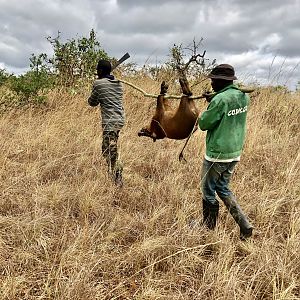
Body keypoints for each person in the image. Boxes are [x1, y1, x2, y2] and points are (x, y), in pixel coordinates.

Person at [198, 64, 253, 240]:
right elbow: (227, 107)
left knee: (207, 190)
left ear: (221, 81)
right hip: (234, 151)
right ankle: (245, 225)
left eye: (213, 80)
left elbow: (204, 124)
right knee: (222, 187)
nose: (212, 83)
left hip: (217, 153)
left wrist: (207, 109)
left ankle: (207, 227)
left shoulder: (220, 100)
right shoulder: (243, 97)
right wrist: (213, 100)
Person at [88, 59, 125, 187]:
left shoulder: (98, 84)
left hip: (110, 122)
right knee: (106, 149)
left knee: (111, 150)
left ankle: (117, 176)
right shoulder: (119, 83)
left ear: (100, 71)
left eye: (98, 70)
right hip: (119, 120)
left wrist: (95, 86)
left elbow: (92, 102)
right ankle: (112, 172)